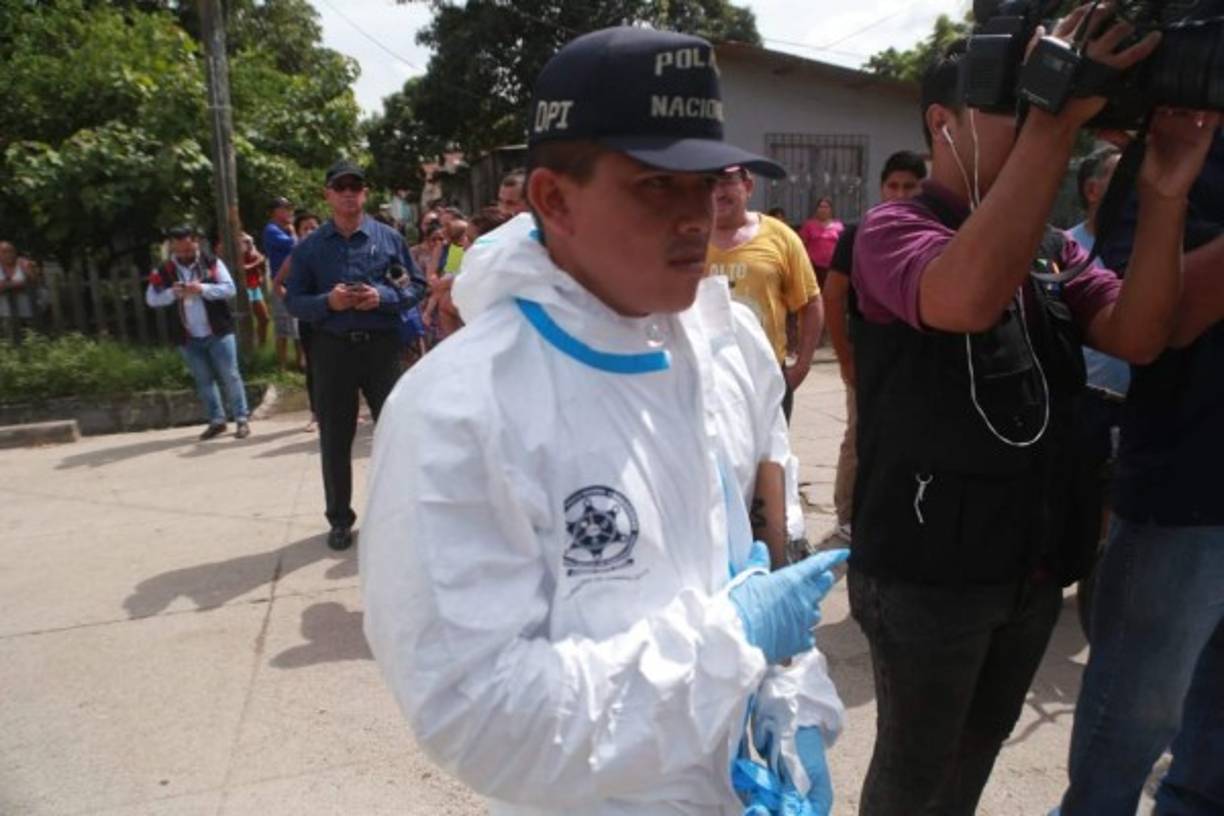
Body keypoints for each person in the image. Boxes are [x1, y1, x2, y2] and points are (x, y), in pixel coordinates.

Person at [361, 26, 849, 816]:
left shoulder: (703, 345)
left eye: (708, 182)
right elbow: (477, 715)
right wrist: (733, 646)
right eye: (658, 185)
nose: (698, 216)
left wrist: (785, 710)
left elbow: (723, 576)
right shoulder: (460, 409)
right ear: (553, 199)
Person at [845, 10, 1218, 813]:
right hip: (927, 574)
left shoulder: (1053, 249)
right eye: (1015, 106)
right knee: (914, 783)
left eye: (1042, 103)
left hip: (1029, 565)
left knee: (970, 765)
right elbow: (965, 296)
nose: (1043, 120)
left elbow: (1141, 334)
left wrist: (1161, 196)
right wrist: (1055, 123)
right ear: (941, 123)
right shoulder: (892, 228)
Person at [1057, 132, 1224, 816]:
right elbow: (1162, 321)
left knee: (1209, 771)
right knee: (1122, 747)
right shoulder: (1176, 146)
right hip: (1187, 497)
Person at [284, 160, 426, 551]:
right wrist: (328, 301)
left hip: (382, 348)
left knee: (398, 434)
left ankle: (405, 513)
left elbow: (416, 285)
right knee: (335, 438)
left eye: (356, 186)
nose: (349, 193)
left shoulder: (388, 238)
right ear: (327, 194)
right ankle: (340, 519)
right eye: (340, 186)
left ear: (365, 193)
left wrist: (382, 297)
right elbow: (293, 299)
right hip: (333, 351)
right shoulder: (310, 247)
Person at [824, 150, 927, 541]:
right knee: (860, 435)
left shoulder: (931, 234)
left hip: (918, 359)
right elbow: (832, 297)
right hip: (869, 358)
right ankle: (848, 513)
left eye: (910, 187)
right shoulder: (858, 233)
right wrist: (846, 359)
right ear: (881, 188)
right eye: (893, 186)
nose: (900, 194)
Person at [706, 168, 822, 423]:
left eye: (726, 182)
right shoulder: (688, 237)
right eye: (709, 182)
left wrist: (801, 366)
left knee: (769, 462)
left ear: (748, 186)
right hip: (705, 382)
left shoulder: (780, 236)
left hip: (766, 381)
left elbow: (811, 302)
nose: (717, 191)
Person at [145, 225, 251, 441]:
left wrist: (202, 289)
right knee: (203, 381)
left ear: (196, 243)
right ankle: (217, 421)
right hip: (187, 336)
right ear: (172, 247)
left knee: (231, 375)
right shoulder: (163, 270)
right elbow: (151, 299)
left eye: (189, 250)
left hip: (218, 331)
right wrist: (171, 293)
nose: (185, 254)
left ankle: (241, 419)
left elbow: (230, 289)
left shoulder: (211, 262)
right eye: (180, 251)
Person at [274, 211, 321, 431]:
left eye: (314, 227)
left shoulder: (332, 252)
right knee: (314, 366)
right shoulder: (296, 255)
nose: (310, 232)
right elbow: (278, 284)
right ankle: (315, 413)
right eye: (305, 228)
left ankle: (350, 410)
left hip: (334, 316)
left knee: (344, 365)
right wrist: (293, 302)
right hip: (309, 319)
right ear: (299, 233)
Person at [263, 196, 299, 369]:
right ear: (275, 211)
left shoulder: (283, 229)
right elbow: (293, 244)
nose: (289, 211)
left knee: (299, 323)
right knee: (282, 325)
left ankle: (301, 362)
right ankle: (282, 366)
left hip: (295, 280)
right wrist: (293, 231)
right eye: (285, 208)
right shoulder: (271, 230)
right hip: (281, 283)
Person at [798, 198, 843, 289]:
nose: (823, 209)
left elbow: (842, 246)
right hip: (814, 267)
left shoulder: (838, 226)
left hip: (833, 267)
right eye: (821, 207)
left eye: (826, 207)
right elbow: (800, 244)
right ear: (817, 210)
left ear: (831, 210)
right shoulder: (809, 225)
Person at [239, 232, 270, 347]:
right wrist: (256, 262)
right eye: (246, 242)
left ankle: (261, 345)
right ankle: (248, 347)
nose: (249, 244)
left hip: (254, 287)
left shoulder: (252, 252)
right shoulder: (232, 252)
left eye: (250, 242)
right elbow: (241, 268)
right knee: (246, 321)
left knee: (265, 318)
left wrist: (259, 272)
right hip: (243, 289)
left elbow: (262, 261)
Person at [0, 241, 40, 325]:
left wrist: (7, 285)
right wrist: (19, 284)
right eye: (4, 252)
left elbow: (33, 282)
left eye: (11, 251)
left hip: (29, 311)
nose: (9, 254)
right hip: (5, 313)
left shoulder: (23, 263)